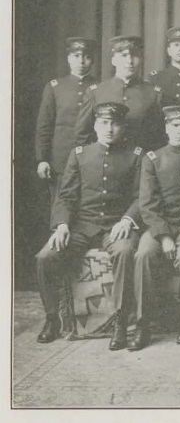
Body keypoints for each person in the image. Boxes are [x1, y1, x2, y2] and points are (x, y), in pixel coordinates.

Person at [35, 102, 142, 350]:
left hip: (117, 226)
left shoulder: (136, 155)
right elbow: (67, 196)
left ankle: (120, 322)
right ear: (95, 125)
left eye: (114, 124)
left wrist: (127, 219)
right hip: (82, 226)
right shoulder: (80, 154)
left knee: (125, 252)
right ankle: (52, 319)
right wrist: (62, 225)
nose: (109, 128)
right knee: (45, 257)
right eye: (104, 123)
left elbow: (141, 197)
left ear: (123, 127)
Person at [134, 105, 180, 351]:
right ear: (167, 128)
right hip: (160, 225)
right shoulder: (153, 159)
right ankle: (143, 324)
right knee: (144, 254)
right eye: (175, 126)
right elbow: (148, 203)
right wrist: (163, 236)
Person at [35, 37, 98, 214]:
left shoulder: (100, 86)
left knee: (87, 207)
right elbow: (44, 126)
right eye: (76, 55)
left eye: (86, 56)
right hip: (61, 159)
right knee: (60, 206)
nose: (81, 61)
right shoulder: (55, 87)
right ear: (69, 58)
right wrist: (43, 159)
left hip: (90, 156)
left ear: (92, 60)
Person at [73, 35, 164, 152]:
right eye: (123, 55)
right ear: (113, 60)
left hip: (142, 163)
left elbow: (160, 136)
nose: (129, 61)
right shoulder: (96, 92)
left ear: (141, 60)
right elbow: (82, 134)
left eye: (135, 56)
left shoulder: (153, 93)